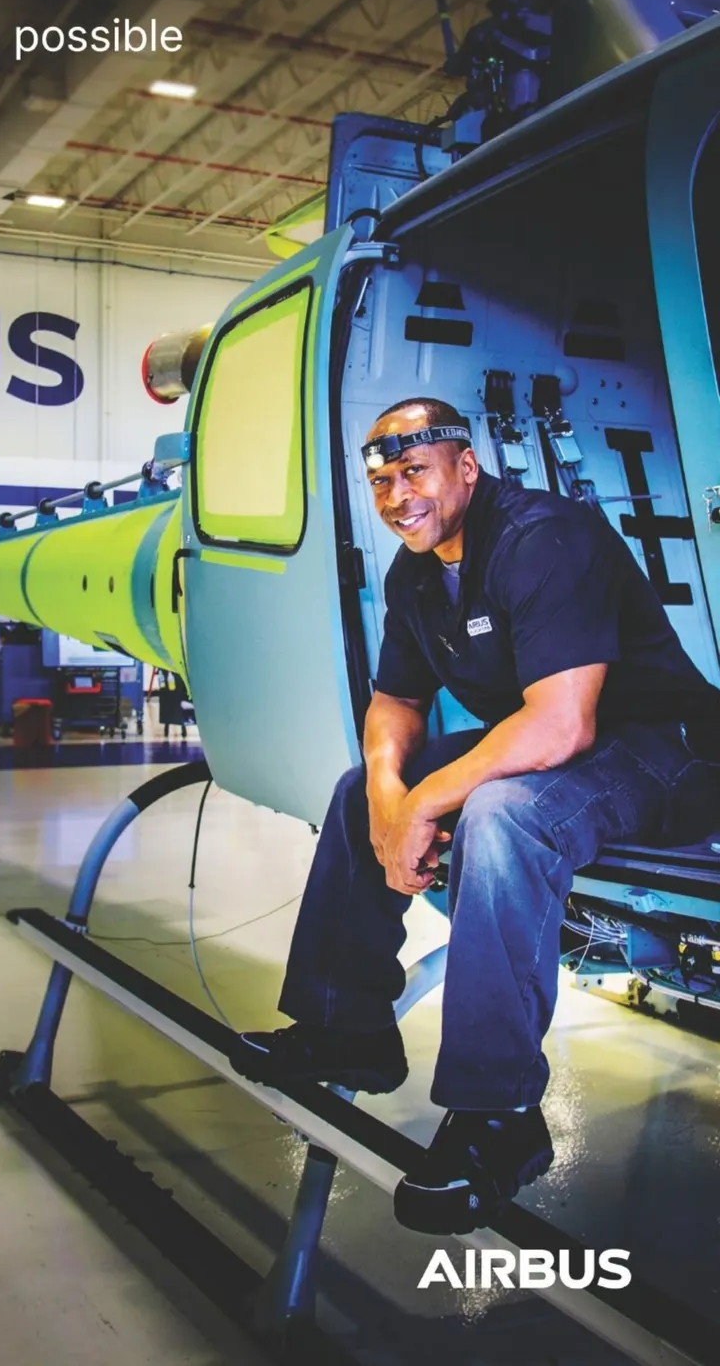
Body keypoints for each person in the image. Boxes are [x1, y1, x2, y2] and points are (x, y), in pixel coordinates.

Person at [229, 397, 720, 1235]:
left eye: (413, 472)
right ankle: (347, 1028)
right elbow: (396, 701)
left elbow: (562, 723)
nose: (396, 497)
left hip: (665, 753)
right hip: (560, 746)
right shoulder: (416, 572)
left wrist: (424, 802)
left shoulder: (544, 537)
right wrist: (388, 790)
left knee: (503, 813)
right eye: (381, 481)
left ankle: (499, 1118)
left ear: (466, 465)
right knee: (355, 792)